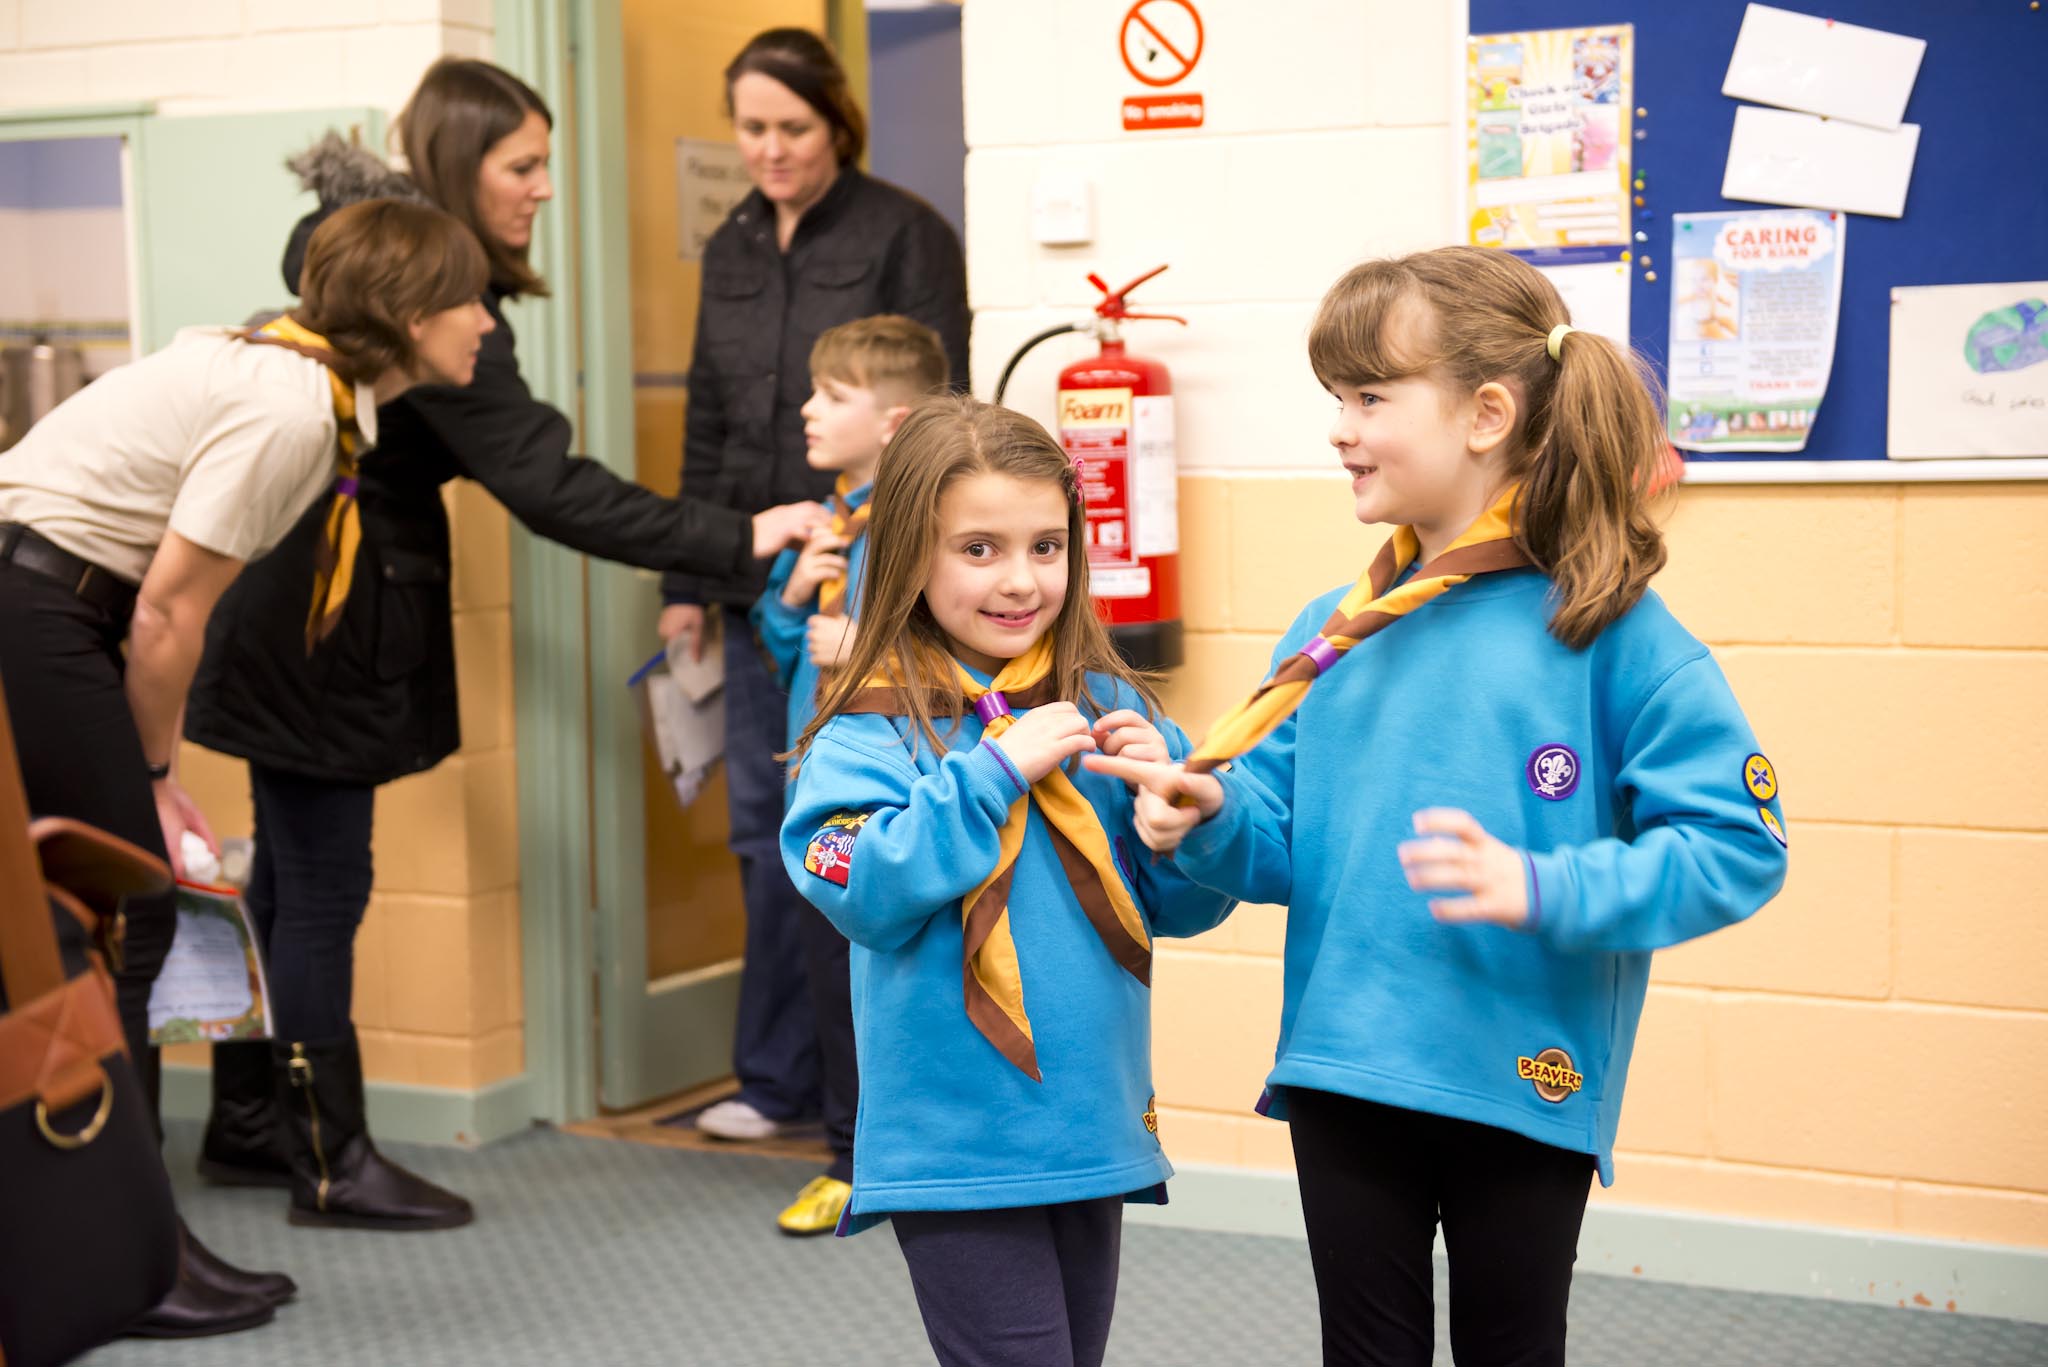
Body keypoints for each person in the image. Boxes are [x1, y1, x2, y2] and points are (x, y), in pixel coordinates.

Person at [1089, 246, 1790, 1367]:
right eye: (1335, 398)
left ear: (1486, 413)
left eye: (1369, 397)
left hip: (1517, 1078)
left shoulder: (1611, 633)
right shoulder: (1337, 626)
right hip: (1342, 1070)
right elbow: (1279, 845)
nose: (1338, 427)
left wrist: (1543, 883)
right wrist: (1208, 811)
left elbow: (1735, 846)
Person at [183, 58, 823, 1233]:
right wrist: (741, 531)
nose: (540, 190)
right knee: (318, 888)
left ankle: (248, 1123)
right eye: (521, 166)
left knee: (281, 880)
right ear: (450, 166)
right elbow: (550, 485)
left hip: (285, 607)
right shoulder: (418, 292)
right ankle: (332, 1159)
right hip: (326, 616)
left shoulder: (354, 256)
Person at [0, 199, 495, 1339]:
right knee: (135, 916)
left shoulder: (284, 372)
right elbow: (171, 614)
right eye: (467, 299)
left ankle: (136, 1239)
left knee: (114, 922)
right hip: (40, 609)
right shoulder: (288, 411)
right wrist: (159, 772)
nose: (483, 320)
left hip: (50, 603)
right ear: (411, 315)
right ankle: (127, 1253)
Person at [779, 395, 1233, 1367]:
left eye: (1046, 545)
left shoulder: (1102, 703)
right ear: (906, 554)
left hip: (1087, 1120)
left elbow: (1181, 907)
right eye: (977, 548)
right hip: (955, 1141)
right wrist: (986, 776)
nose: (1020, 579)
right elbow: (860, 886)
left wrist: (1181, 818)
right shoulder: (868, 726)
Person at [660, 27, 970, 1176]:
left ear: (835, 123)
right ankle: (775, 1080)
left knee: (852, 837)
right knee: (764, 837)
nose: (770, 150)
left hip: (868, 567)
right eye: (750, 129)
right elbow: (705, 408)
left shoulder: (903, 230)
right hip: (766, 578)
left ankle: (858, 1106)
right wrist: (687, 582)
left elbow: (935, 401)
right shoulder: (730, 243)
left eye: (792, 128)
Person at [746, 315, 949, 1235]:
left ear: (895, 421)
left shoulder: (924, 532)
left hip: (890, 804)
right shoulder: (826, 522)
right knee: (828, 978)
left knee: (885, 983)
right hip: (817, 788)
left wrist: (861, 645)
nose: (807, 409)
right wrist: (790, 602)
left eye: (834, 396)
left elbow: (949, 660)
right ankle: (841, 1149)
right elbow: (787, 651)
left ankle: (888, 1153)